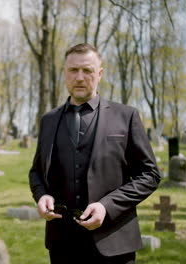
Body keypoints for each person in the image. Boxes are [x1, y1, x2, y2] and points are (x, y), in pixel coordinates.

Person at [28, 43, 160, 264]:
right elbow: (36, 172)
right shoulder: (49, 120)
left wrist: (106, 207)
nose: (80, 77)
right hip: (62, 245)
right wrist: (42, 195)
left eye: (87, 70)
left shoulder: (126, 117)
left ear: (99, 74)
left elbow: (150, 175)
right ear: (64, 73)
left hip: (115, 243)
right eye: (73, 70)